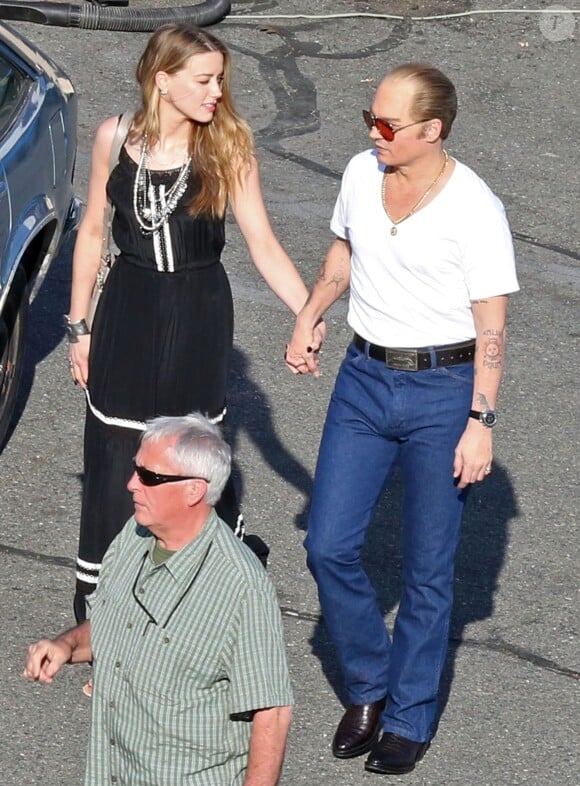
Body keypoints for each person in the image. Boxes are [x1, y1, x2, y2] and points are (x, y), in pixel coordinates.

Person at [285, 64, 519, 775]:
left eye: (386, 125)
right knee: (327, 545)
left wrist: (481, 419)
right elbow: (345, 252)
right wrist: (309, 314)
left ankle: (410, 715)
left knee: (426, 569)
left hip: (442, 391)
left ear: (431, 131)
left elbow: (493, 327)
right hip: (362, 379)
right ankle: (368, 687)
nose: (372, 132)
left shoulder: (474, 208)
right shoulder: (362, 173)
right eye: (370, 118)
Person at [66, 24, 321, 623]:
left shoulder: (228, 146)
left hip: (198, 313)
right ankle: (104, 630)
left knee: (186, 458)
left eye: (220, 79)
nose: (216, 92)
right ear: (164, 81)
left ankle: (191, 608)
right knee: (115, 459)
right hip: (127, 311)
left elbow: (262, 243)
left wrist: (306, 313)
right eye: (204, 79)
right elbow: (94, 234)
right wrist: (78, 328)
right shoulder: (114, 136)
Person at [24, 413, 294, 786]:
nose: (132, 484)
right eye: (137, 470)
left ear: (194, 490)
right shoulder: (134, 535)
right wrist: (66, 645)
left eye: (149, 476)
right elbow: (110, 625)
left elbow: (273, 713)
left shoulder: (240, 586)